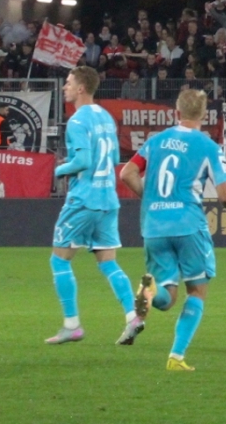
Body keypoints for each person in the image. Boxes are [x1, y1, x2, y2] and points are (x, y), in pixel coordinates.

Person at [117, 88, 226, 371]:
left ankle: (149, 291)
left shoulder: (155, 141)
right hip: (188, 225)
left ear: (176, 112)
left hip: (154, 227)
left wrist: (150, 198)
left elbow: (126, 173)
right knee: (196, 291)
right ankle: (176, 356)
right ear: (204, 115)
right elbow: (224, 194)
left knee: (166, 298)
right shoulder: (208, 146)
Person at [47, 65, 145, 345]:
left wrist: (59, 169)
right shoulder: (106, 117)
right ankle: (133, 316)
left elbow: (83, 161)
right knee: (108, 263)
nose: (65, 87)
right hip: (107, 199)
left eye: (68, 83)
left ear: (81, 88)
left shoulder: (77, 121)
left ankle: (72, 325)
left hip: (83, 200)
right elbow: (113, 158)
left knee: (59, 260)